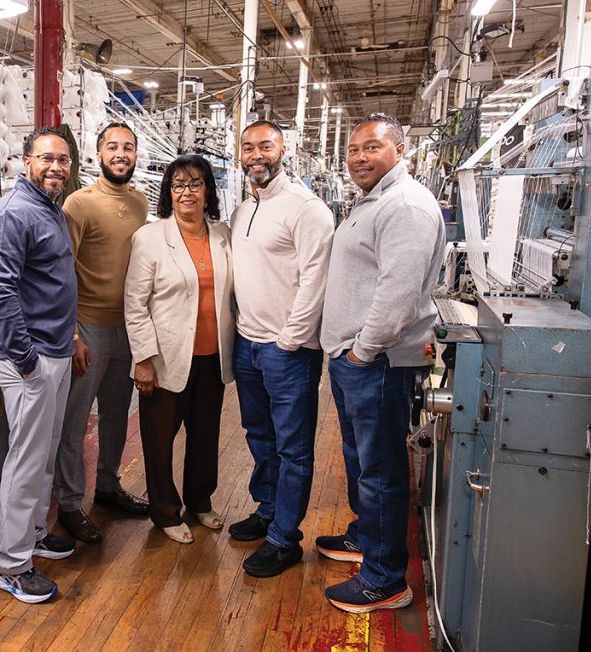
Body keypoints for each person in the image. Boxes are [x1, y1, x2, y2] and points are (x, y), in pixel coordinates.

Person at [319, 112, 445, 613]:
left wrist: (361, 350)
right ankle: (367, 538)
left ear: (399, 151)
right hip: (358, 359)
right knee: (360, 461)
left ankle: (385, 579)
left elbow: (397, 294)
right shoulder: (374, 202)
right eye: (353, 150)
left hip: (378, 362)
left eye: (371, 147)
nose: (358, 157)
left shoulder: (406, 206)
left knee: (380, 470)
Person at [228, 121, 335, 578]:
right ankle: (268, 507)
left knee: (293, 446)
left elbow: (317, 279)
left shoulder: (307, 209)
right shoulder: (243, 209)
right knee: (259, 433)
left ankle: (284, 537)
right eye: (248, 147)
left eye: (265, 146)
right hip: (248, 343)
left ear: (283, 149)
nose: (257, 155)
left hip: (287, 349)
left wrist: (291, 338)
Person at [0, 126, 79, 604]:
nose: (56, 166)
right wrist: (27, 361)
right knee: (25, 460)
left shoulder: (50, 210)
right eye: (46, 158)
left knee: (43, 453)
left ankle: (35, 532)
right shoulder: (11, 216)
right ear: (25, 161)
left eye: (62, 159)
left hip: (53, 353)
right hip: (29, 359)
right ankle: (11, 563)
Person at [123, 155, 235, 544]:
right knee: (158, 440)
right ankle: (165, 513)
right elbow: (135, 304)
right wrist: (143, 359)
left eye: (196, 184)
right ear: (169, 193)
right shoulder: (150, 237)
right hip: (165, 358)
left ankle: (199, 502)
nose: (187, 192)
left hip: (212, 355)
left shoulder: (223, 235)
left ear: (208, 191)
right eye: (178, 185)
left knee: (205, 436)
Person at [54, 122, 150, 544]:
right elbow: (62, 272)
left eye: (128, 148)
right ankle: (71, 503)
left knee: (116, 415)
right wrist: (72, 333)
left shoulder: (141, 203)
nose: (121, 154)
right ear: (98, 154)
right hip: (89, 327)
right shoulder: (78, 203)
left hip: (127, 327)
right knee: (76, 421)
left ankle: (108, 487)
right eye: (113, 147)